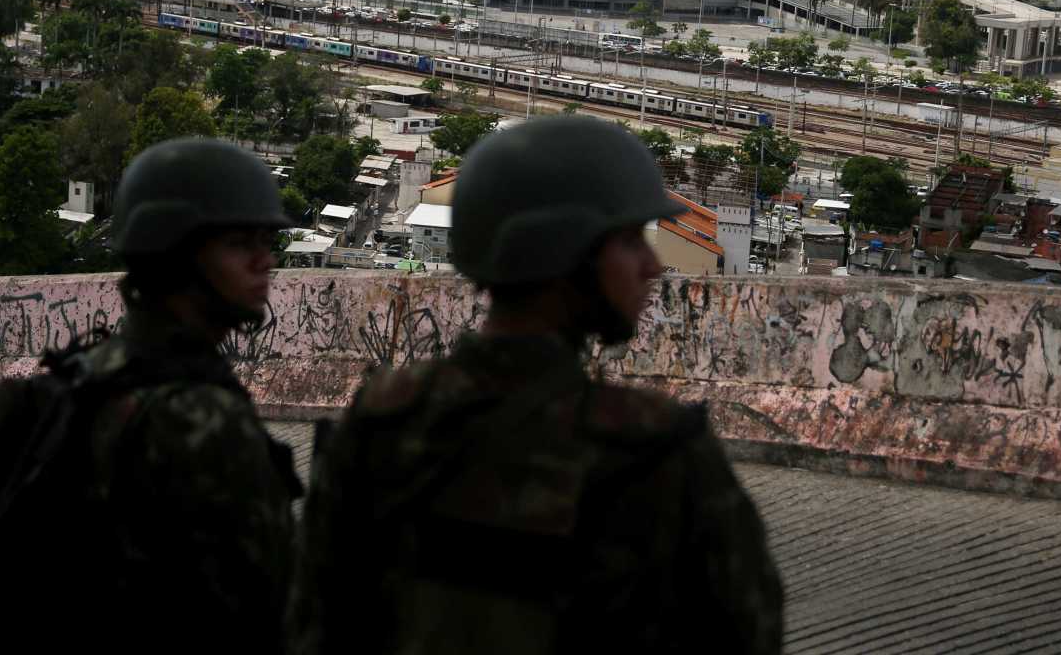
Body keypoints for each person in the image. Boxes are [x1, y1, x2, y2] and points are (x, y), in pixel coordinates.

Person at [289, 115, 783, 654]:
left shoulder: (383, 420)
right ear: (565, 253)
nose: (651, 265)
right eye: (628, 241)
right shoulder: (655, 449)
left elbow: (317, 623)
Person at [0, 138, 300, 654]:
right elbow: (270, 613)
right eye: (242, 243)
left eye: (266, 241)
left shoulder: (79, 378)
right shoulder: (200, 418)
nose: (265, 261)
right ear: (175, 257)